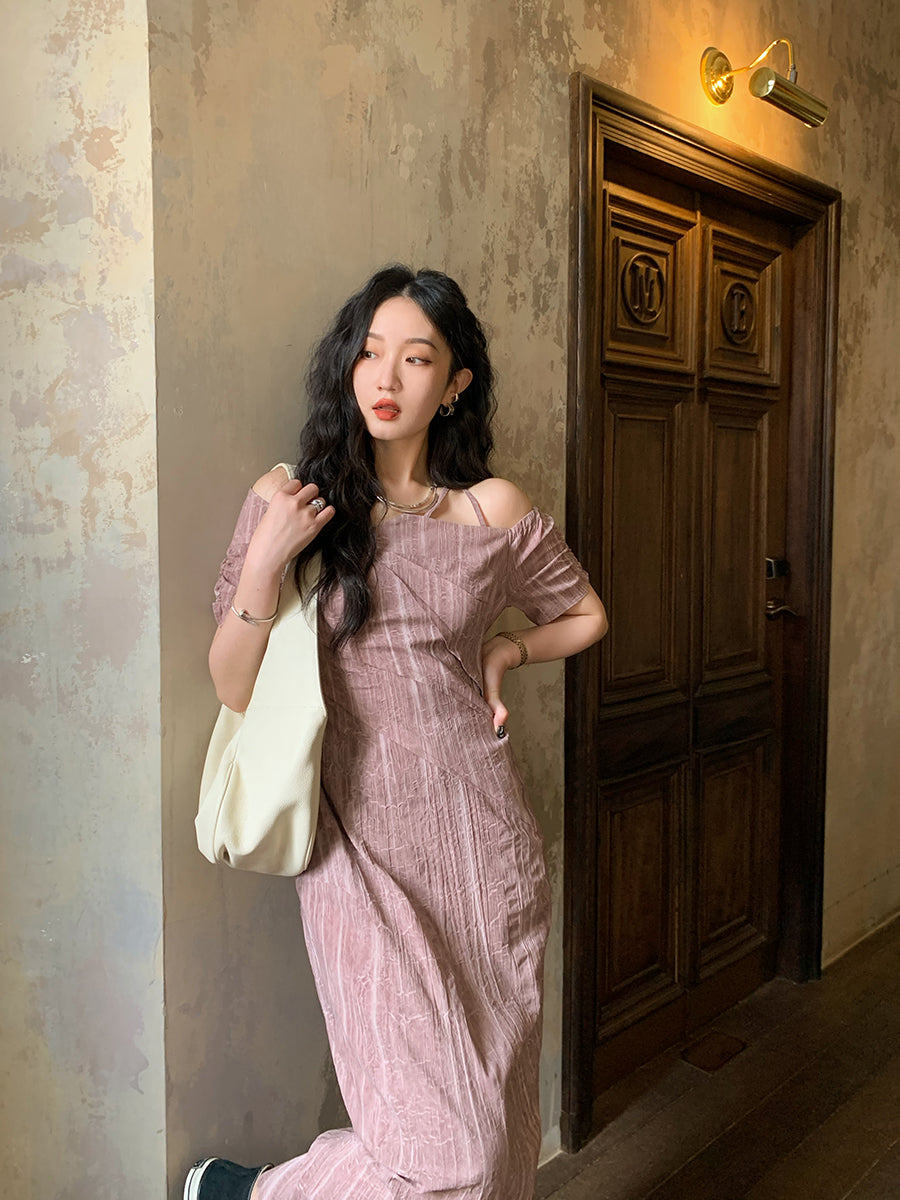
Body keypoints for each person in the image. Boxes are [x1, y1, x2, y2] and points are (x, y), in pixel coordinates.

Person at [186, 266, 608, 1200]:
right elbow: (231, 682)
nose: (387, 377)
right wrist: (265, 558)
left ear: (454, 383)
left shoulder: (491, 510)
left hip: (484, 849)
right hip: (353, 850)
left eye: (416, 359)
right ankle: (253, 1192)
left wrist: (506, 650)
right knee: (447, 1157)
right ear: (348, 366)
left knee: (500, 1134)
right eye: (370, 353)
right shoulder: (293, 502)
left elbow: (586, 615)